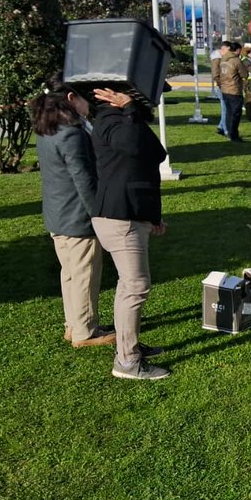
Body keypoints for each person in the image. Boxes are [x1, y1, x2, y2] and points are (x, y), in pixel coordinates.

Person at [90, 87, 171, 380]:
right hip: (119, 217)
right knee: (136, 287)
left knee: (129, 286)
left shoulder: (125, 121)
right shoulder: (111, 121)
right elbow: (135, 147)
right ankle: (126, 361)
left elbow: (156, 154)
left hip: (130, 215)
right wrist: (129, 111)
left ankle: (129, 346)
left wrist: (152, 217)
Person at [30, 73, 115, 348]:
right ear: (70, 98)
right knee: (84, 275)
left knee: (69, 273)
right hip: (77, 216)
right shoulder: (72, 134)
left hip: (58, 215)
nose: (87, 104)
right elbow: (85, 181)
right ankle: (85, 332)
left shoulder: (48, 128)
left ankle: (74, 324)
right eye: (83, 98)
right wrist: (99, 217)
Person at [218, 41, 248, 141]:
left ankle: (229, 133)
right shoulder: (236, 61)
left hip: (224, 89)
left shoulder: (223, 59)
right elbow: (244, 74)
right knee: (236, 114)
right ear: (238, 50)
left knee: (228, 113)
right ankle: (234, 135)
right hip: (234, 90)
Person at [211, 43, 228, 136]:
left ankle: (221, 126)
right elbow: (216, 74)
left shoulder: (220, 59)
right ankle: (225, 129)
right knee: (225, 107)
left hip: (223, 85)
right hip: (222, 86)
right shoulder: (217, 59)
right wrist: (221, 84)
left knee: (225, 107)